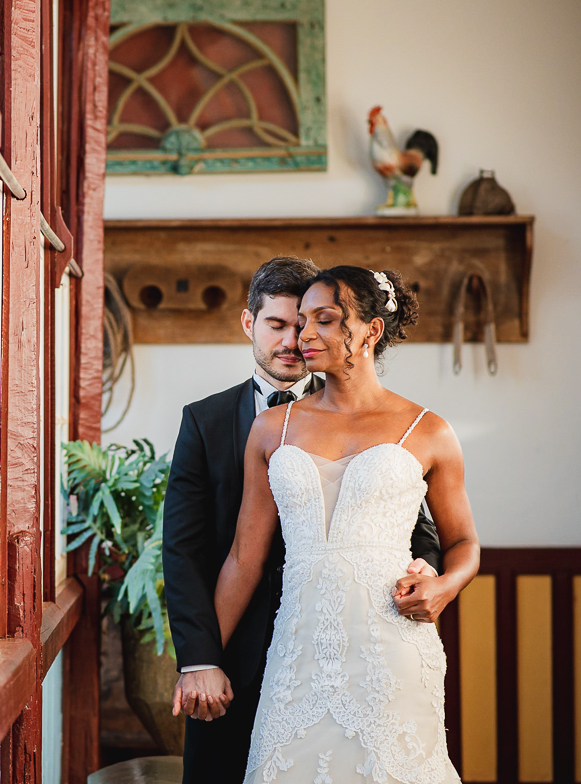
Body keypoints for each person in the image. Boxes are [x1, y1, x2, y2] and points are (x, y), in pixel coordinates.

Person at [163, 258, 444, 784]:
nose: (295, 340)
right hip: (235, 660)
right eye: (278, 325)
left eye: (308, 325)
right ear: (250, 324)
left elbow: (420, 533)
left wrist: (425, 574)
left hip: (357, 653)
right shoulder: (205, 421)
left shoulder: (374, 421)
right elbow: (182, 550)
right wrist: (199, 659)